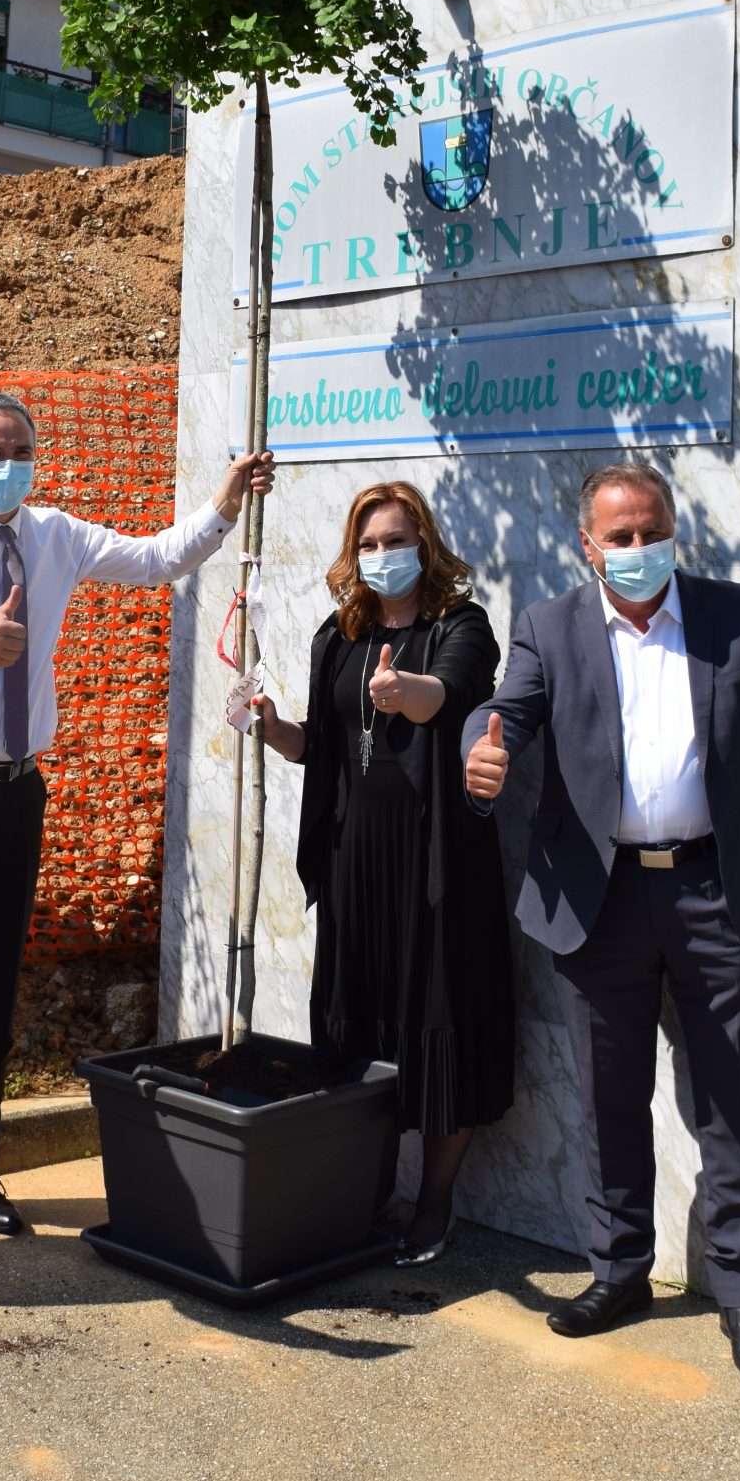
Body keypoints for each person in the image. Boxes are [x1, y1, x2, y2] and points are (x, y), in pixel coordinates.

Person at [0, 391, 273, 1246]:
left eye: (19, 450)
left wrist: (224, 502)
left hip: (13, 791)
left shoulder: (54, 533)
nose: (6, 465)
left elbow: (158, 559)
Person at [462, 461, 740, 1383]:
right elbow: (506, 712)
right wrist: (479, 751)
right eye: (617, 536)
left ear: (672, 530)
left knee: (732, 1100)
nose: (636, 548)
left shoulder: (738, 617)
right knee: (606, 1095)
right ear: (588, 545)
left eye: (650, 531)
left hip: (718, 895)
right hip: (599, 900)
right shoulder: (549, 625)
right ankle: (618, 1273)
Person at [251, 481, 513, 1263]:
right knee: (354, 1027)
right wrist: (272, 728)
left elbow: (450, 694)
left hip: (436, 863)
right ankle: (360, 1197)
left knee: (439, 1024)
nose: (380, 555)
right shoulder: (338, 635)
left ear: (424, 545)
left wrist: (407, 693)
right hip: (355, 861)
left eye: (395, 541)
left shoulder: (461, 625)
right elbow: (322, 747)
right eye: (367, 544)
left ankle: (432, 1207)